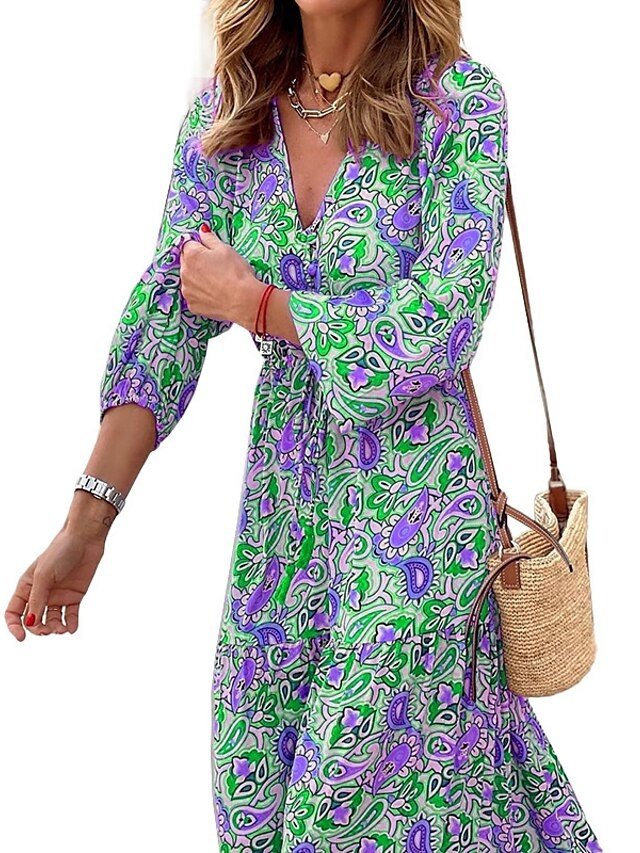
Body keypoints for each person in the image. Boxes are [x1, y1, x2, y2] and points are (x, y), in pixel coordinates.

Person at [5, 0, 603, 850]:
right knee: (256, 785)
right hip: (283, 519)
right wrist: (86, 522)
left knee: (344, 802)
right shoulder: (228, 113)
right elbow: (166, 323)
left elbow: (444, 320)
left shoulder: (458, 104)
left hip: (419, 510)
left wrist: (260, 304)